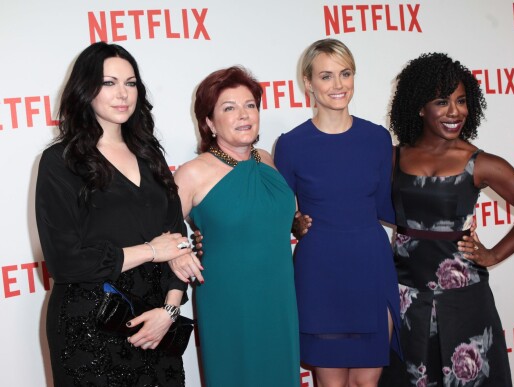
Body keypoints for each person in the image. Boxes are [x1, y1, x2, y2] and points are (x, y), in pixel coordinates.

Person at [380, 52, 514, 386]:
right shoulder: (392, 157)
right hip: (406, 295)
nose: (455, 111)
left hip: (463, 296)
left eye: (461, 101)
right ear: (419, 107)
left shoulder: (479, 162)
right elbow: (355, 202)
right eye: (442, 102)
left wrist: (493, 255)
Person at [35, 42, 200, 386]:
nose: (123, 93)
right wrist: (152, 251)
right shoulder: (60, 162)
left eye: (130, 83)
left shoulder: (150, 154)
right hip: (90, 325)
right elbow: (65, 261)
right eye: (109, 83)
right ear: (86, 89)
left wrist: (169, 310)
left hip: (156, 324)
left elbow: (176, 238)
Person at [274, 38, 402, 387]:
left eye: (345, 73)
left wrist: (448, 217)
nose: (338, 84)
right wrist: (294, 223)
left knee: (367, 382)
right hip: (321, 272)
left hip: (371, 266)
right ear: (308, 84)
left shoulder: (377, 138)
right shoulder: (291, 144)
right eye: (326, 76)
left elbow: (387, 206)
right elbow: (281, 213)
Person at [168, 66, 300, 386]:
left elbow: (278, 217)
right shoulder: (192, 173)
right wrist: (182, 246)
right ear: (209, 122)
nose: (243, 115)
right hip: (229, 301)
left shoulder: (266, 160)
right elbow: (162, 231)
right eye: (229, 108)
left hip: (279, 296)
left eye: (250, 105)